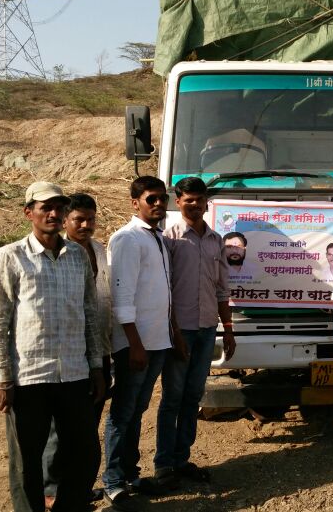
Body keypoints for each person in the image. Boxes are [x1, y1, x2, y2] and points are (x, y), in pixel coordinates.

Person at [0, 181, 105, 512]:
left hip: (74, 373)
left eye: (59, 208)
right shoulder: (8, 257)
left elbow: (90, 314)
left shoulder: (77, 255)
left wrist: (96, 366)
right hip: (29, 377)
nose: (54, 213)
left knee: (85, 452)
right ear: (29, 213)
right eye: (45, 208)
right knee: (26, 462)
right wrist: (1, 378)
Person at [102, 176, 182, 512]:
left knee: (137, 411)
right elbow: (122, 298)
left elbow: (163, 295)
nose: (160, 204)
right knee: (122, 413)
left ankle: (131, 475)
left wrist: (173, 335)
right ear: (135, 202)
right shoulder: (127, 239)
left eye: (163, 198)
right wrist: (134, 344)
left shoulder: (158, 239)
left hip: (158, 341)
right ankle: (113, 483)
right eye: (152, 199)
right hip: (137, 345)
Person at [157, 176, 236, 488]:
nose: (194, 204)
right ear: (178, 202)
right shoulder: (169, 238)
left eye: (199, 199)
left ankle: (181, 459)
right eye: (187, 199)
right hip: (180, 331)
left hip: (206, 330)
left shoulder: (216, 240)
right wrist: (173, 331)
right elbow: (163, 289)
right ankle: (164, 465)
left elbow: (221, 290)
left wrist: (227, 329)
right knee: (172, 398)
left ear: (207, 202)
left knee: (192, 397)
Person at [42, 193, 112, 509]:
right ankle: (52, 489)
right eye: (78, 220)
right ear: (65, 220)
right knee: (61, 426)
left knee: (88, 425)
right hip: (69, 351)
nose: (86, 225)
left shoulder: (99, 251)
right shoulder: (61, 254)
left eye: (91, 219)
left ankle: (77, 488)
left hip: (100, 349)